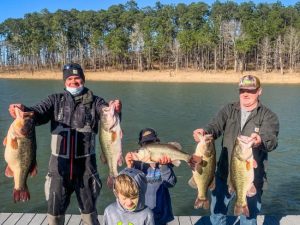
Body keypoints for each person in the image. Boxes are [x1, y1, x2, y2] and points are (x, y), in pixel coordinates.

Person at [8, 63, 122, 225]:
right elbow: (37, 113)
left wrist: (116, 109)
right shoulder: (55, 101)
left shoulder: (96, 102)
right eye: (69, 78)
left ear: (83, 79)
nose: (74, 82)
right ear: (64, 82)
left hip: (87, 169)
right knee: (54, 215)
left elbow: (110, 121)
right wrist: (22, 109)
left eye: (77, 78)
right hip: (58, 169)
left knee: (90, 214)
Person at [193, 75, 279, 225]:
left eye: (250, 91)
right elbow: (215, 127)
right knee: (217, 214)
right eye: (242, 90)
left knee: (249, 218)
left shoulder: (268, 116)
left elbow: (271, 141)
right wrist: (204, 132)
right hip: (223, 175)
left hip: (252, 178)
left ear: (259, 91)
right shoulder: (228, 110)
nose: (245, 94)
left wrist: (259, 140)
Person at [125, 128, 177, 225]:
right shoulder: (136, 164)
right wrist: (129, 167)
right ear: (141, 146)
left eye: (151, 142)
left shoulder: (165, 161)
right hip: (141, 212)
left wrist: (164, 166)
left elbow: (171, 183)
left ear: (157, 143)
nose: (149, 145)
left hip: (161, 212)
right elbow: (127, 189)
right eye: (146, 143)